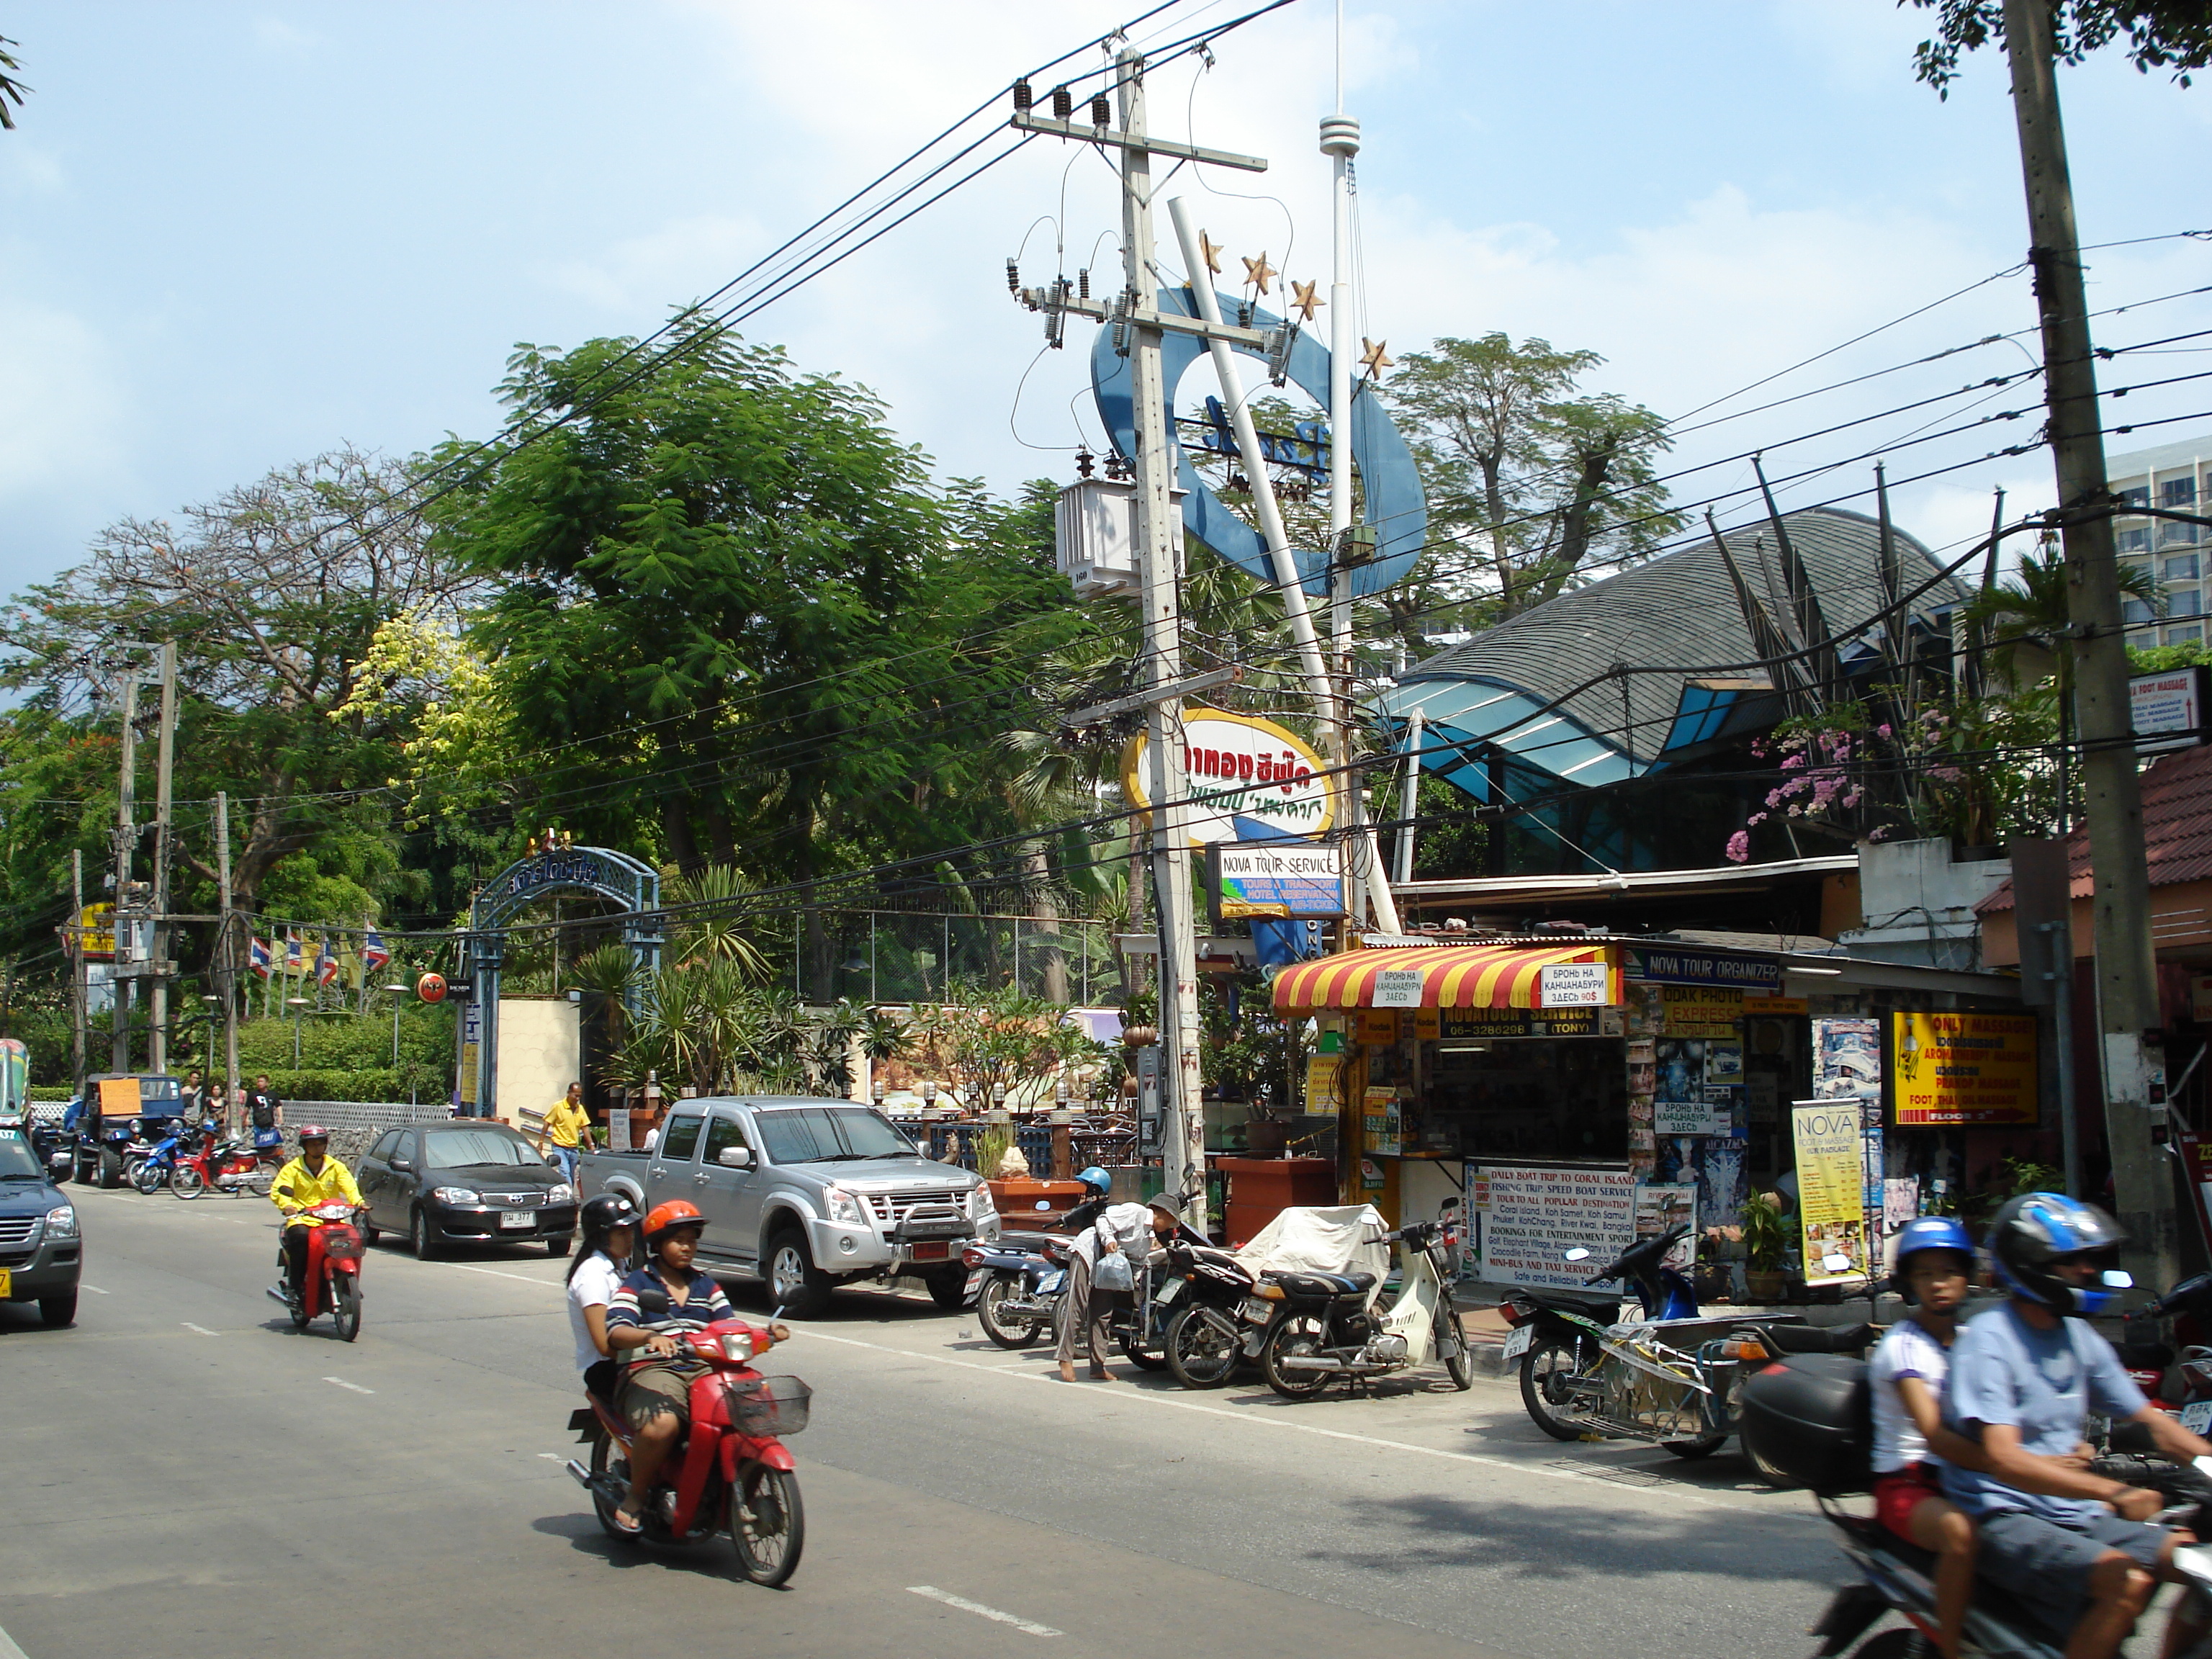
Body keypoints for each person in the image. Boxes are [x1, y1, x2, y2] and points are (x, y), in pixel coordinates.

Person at [1942, 1193, 2212, 1659]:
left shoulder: (2077, 1337)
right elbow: (2004, 1461)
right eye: (2071, 1261)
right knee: (2125, 1581)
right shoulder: (1990, 1342)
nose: (2088, 1271)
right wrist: (2116, 1494)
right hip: (2007, 1516)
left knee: (2199, 1565)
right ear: (2031, 1264)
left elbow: (2151, 1421)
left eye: (2088, 1259)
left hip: (2073, 1513)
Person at [602, 1200, 788, 1536]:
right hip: (654, 1369)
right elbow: (615, 1330)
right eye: (678, 1240)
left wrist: (766, 1334)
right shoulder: (638, 1284)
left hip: (704, 1368)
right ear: (657, 1244)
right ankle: (635, 1497)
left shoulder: (707, 1286)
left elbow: (728, 1325)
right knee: (663, 1426)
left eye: (692, 1239)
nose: (687, 1247)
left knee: (753, 1415)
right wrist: (648, 1336)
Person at [1869, 1216, 1984, 1659]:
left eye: (1948, 1272)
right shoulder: (1904, 1346)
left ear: (1966, 1278)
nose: (1938, 1284)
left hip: (1965, 1477)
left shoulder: (1975, 1342)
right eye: (1925, 1273)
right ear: (1909, 1284)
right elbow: (1934, 1435)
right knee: (1960, 1534)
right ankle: (1951, 1648)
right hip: (1909, 1484)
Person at [1056, 1166, 1151, 1385]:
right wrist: (1108, 1240)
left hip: (1108, 1268)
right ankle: (1065, 1358)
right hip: (1088, 1253)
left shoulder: (1149, 1237)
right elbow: (1103, 1221)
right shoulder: (1135, 1212)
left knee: (1102, 1313)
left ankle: (1097, 1366)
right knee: (1077, 1306)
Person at [267, 1125, 362, 1308]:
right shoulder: (292, 1168)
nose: (317, 1148)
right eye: (312, 1144)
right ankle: (294, 1288)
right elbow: (280, 1190)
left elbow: (350, 1187)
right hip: (303, 1219)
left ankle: (347, 1284)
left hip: (331, 1219)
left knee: (350, 1238)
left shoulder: (336, 1167)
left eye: (320, 1144)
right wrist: (288, 1206)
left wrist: (359, 1202)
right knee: (300, 1238)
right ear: (304, 1146)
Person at [567, 1192, 642, 1404]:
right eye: (622, 1233)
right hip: (608, 1369)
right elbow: (604, 1346)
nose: (630, 1239)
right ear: (601, 1236)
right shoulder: (593, 1275)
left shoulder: (619, 1267)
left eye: (630, 1232)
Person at [538, 1082, 590, 1182]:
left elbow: (585, 1127)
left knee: (571, 1174)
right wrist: (541, 1142)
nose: (577, 1099)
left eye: (579, 1096)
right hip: (560, 1147)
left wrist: (591, 1145)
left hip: (573, 1148)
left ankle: (568, 1193)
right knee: (565, 1173)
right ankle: (569, 1195)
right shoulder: (558, 1107)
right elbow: (546, 1123)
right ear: (569, 1093)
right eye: (575, 1096)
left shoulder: (580, 1109)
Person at [246, 1075, 284, 1153]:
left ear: (266, 1083)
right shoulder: (253, 1094)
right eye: (258, 1081)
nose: (259, 1083)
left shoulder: (272, 1094)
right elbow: (247, 1107)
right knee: (259, 1143)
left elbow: (278, 1106)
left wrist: (280, 1117)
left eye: (261, 1081)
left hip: (269, 1122)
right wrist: (245, 1119)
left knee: (269, 1143)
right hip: (257, 1122)